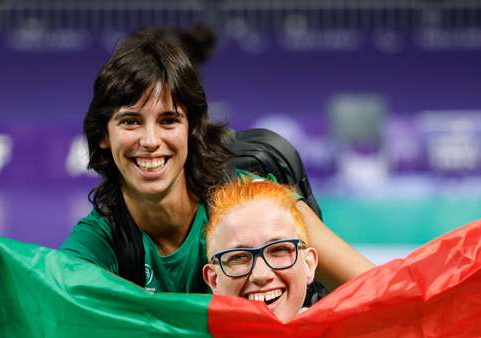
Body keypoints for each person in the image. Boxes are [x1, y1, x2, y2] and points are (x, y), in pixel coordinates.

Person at [61, 28, 371, 296]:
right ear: (103, 135)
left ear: (191, 130)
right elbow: (44, 310)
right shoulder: (99, 241)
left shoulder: (254, 198)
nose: (151, 141)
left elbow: (376, 289)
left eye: (169, 121)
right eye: (131, 122)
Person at [202, 179, 318, 322]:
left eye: (279, 250)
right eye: (238, 258)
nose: (260, 275)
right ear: (214, 280)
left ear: (309, 264)